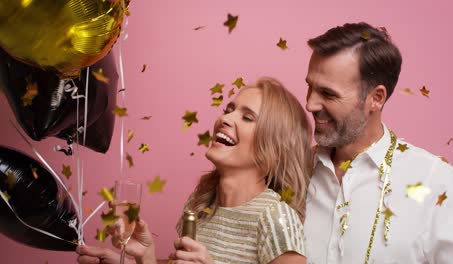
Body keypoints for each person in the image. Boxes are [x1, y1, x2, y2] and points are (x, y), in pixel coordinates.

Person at [77, 77, 314, 264]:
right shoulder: (201, 203)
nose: (226, 118)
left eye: (247, 117)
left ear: (274, 150)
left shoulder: (276, 218)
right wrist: (144, 257)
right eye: (229, 109)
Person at [303, 22, 453, 263]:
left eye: (328, 94)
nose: (310, 104)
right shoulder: (290, 171)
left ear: (376, 98)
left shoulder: (437, 181)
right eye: (310, 87)